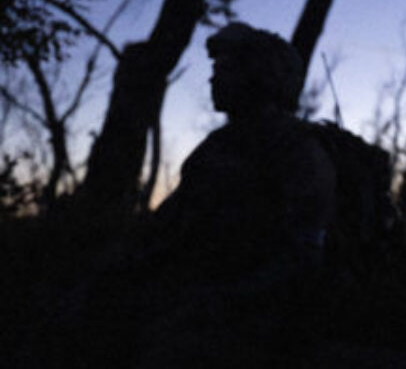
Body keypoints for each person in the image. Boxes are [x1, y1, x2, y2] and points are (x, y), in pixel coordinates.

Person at [65, 22, 337, 366]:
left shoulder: (297, 150)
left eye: (226, 68)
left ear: (259, 75)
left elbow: (303, 256)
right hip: (199, 297)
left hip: (253, 319)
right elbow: (168, 226)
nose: (213, 78)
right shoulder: (218, 147)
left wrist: (219, 301)